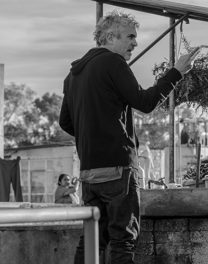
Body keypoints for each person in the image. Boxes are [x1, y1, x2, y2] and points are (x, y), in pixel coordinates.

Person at [59, 10, 200, 264]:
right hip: (118, 170)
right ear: (111, 37)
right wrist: (176, 72)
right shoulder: (113, 63)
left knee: (92, 239)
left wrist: (94, 136)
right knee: (124, 240)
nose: (135, 43)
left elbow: (65, 122)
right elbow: (145, 102)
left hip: (89, 173)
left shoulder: (73, 75)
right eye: (131, 37)